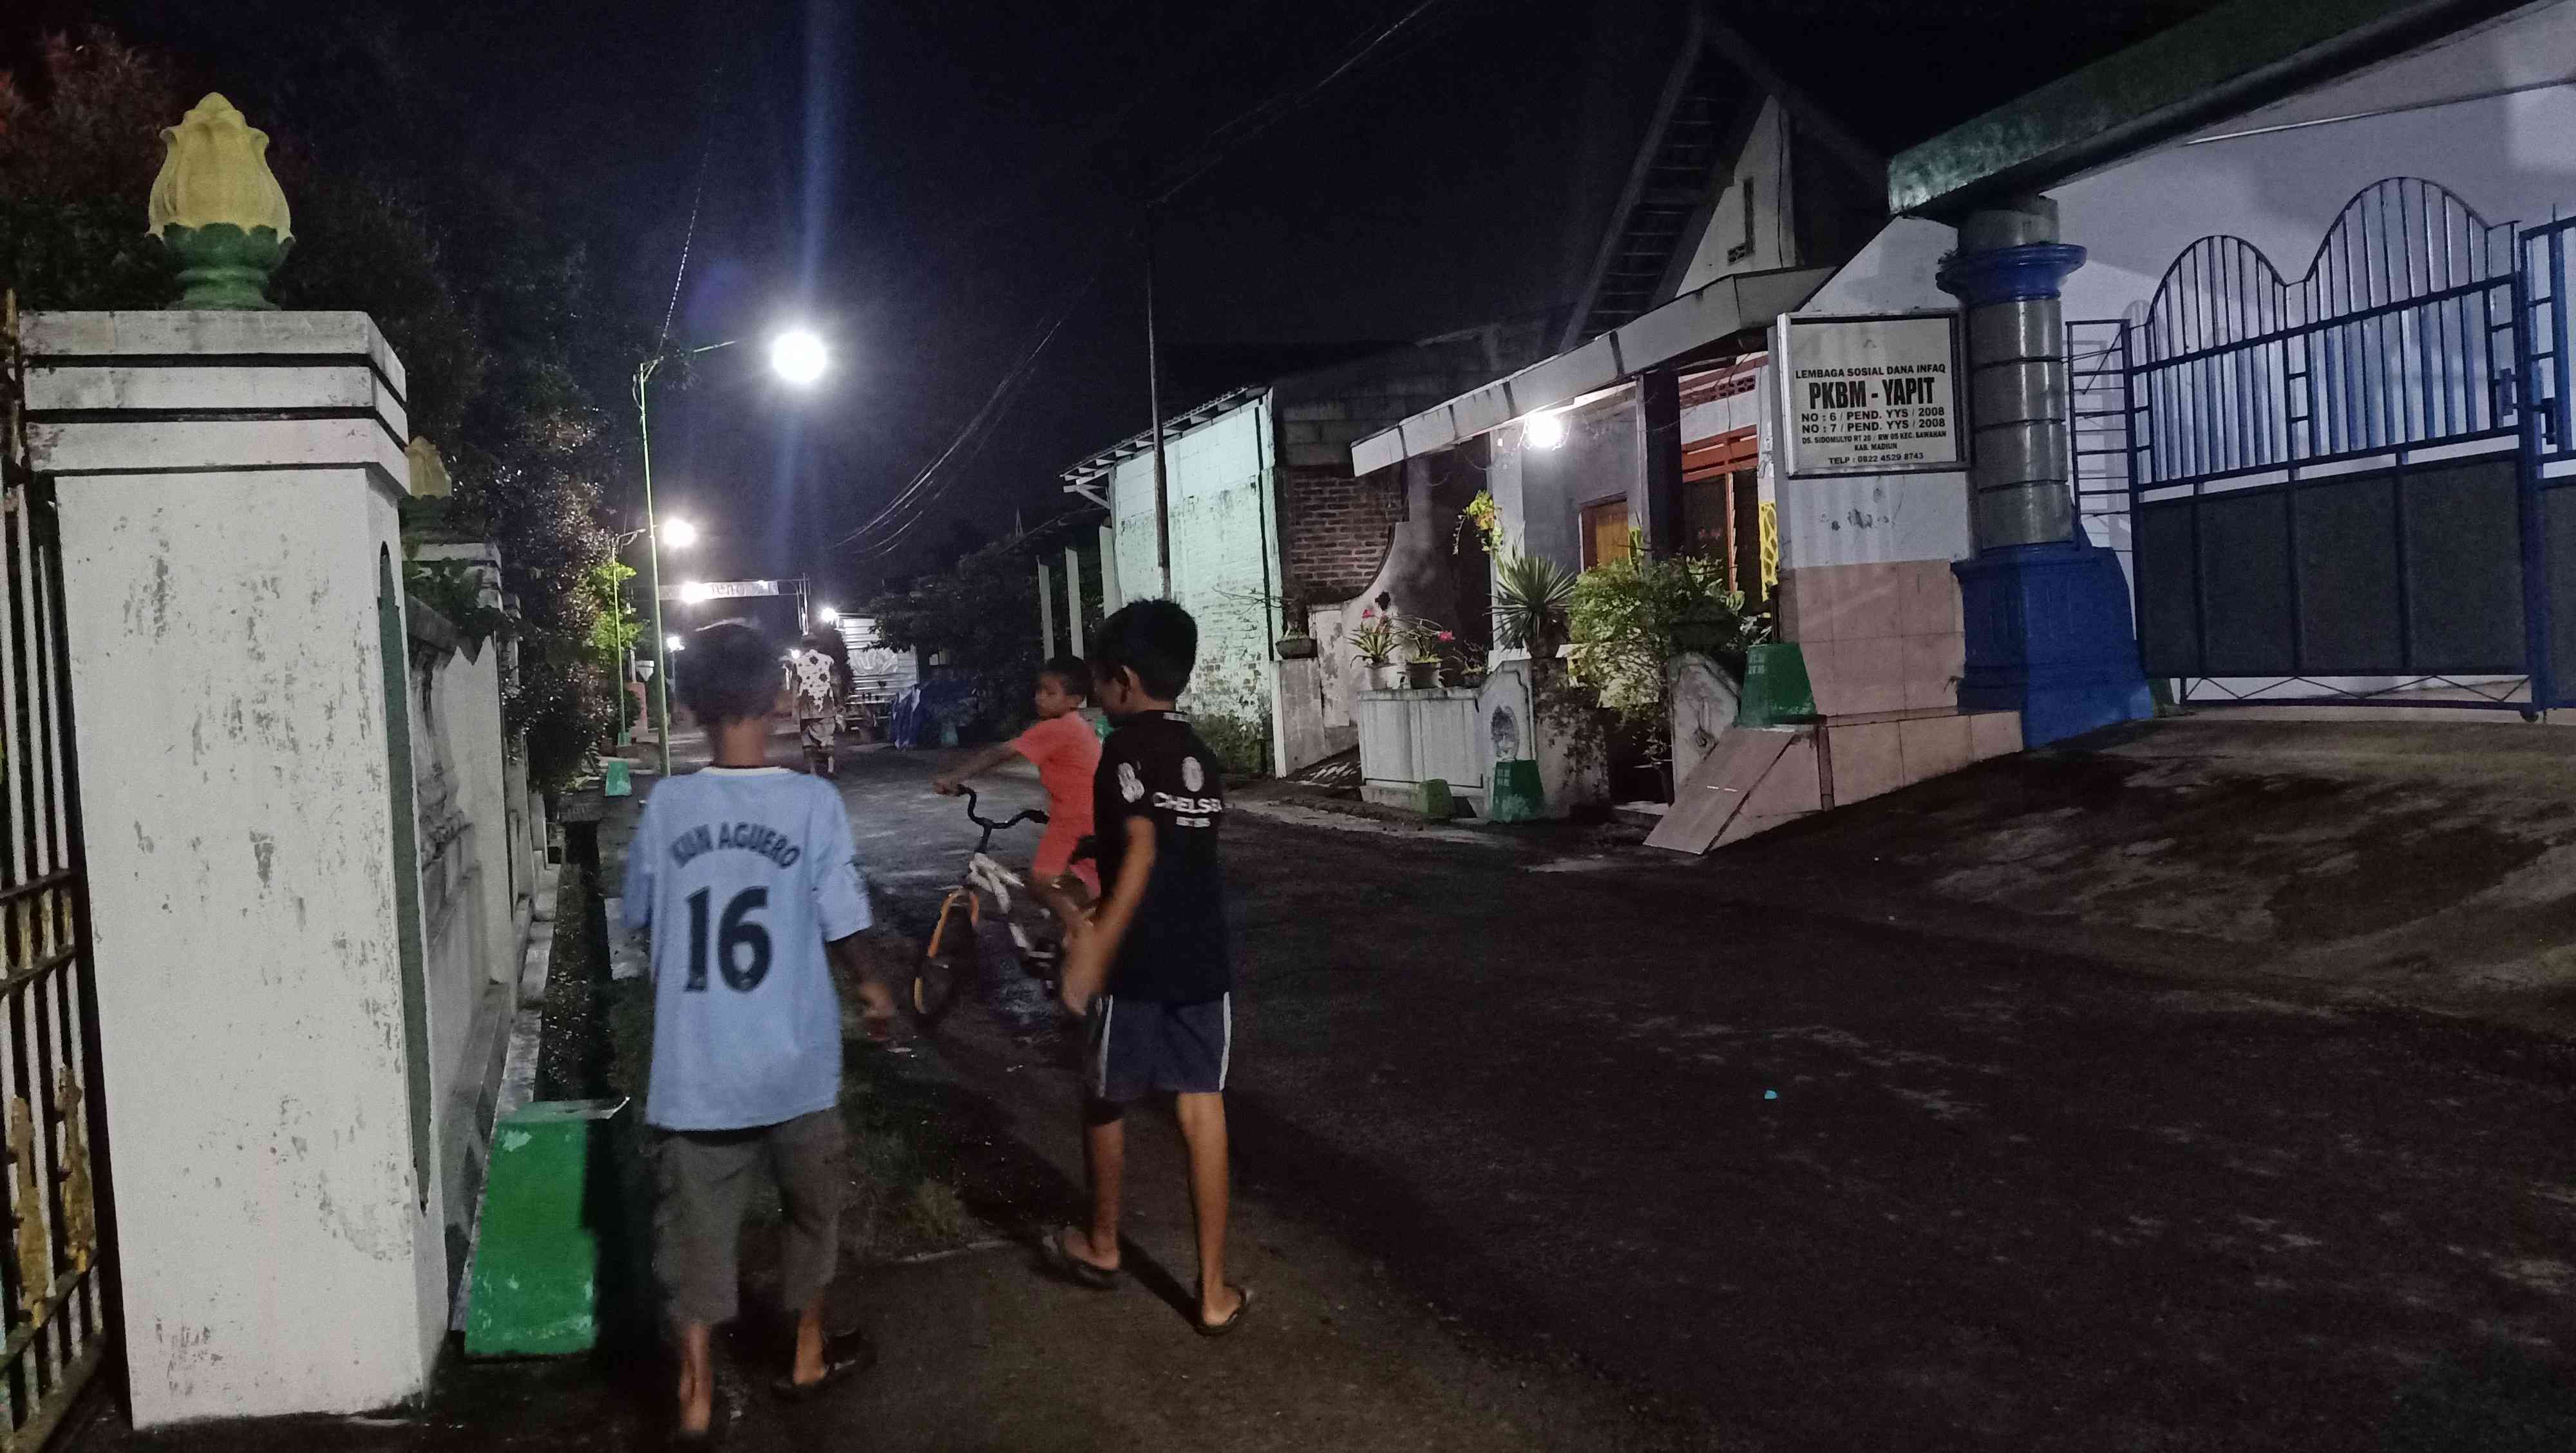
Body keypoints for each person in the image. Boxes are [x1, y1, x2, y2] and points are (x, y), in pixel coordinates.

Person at [621, 620, 900, 1442]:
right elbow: (842, 916)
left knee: (696, 1237)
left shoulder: (669, 803)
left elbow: (639, 914)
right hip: (796, 1068)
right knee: (813, 1214)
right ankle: (808, 1351)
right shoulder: (812, 802)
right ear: (781, 696)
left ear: (690, 703)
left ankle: (696, 1391)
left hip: (695, 1071)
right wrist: (875, 990)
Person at [1040, 601, 1249, 1336]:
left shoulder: (1123, 751)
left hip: (1137, 962)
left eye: (1099, 681)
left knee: (1104, 1096)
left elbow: (1143, 851)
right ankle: (1215, 1291)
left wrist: (1092, 947)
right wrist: (1090, 863)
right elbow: (1171, 844)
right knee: (1202, 1108)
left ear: (1121, 681)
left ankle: (1101, 1245)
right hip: (1203, 956)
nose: (1098, 694)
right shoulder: (1200, 752)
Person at [930, 655, 1102, 942]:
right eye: (1039, 690)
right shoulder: (1076, 726)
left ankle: (1084, 937)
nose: (1040, 698)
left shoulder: (1056, 729)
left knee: (1039, 884)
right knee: (1077, 889)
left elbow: (999, 753)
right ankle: (1072, 939)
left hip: (1073, 822)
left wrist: (953, 777)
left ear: (1075, 700)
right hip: (1094, 818)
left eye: (1050, 693)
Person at [784, 631, 847, 777]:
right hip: (826, 706)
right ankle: (830, 769)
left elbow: (795, 687)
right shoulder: (828, 661)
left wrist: (794, 709)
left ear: (803, 646)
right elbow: (836, 684)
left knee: (807, 739)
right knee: (828, 736)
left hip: (806, 708)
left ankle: (813, 771)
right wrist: (840, 702)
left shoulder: (797, 664)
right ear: (817, 645)